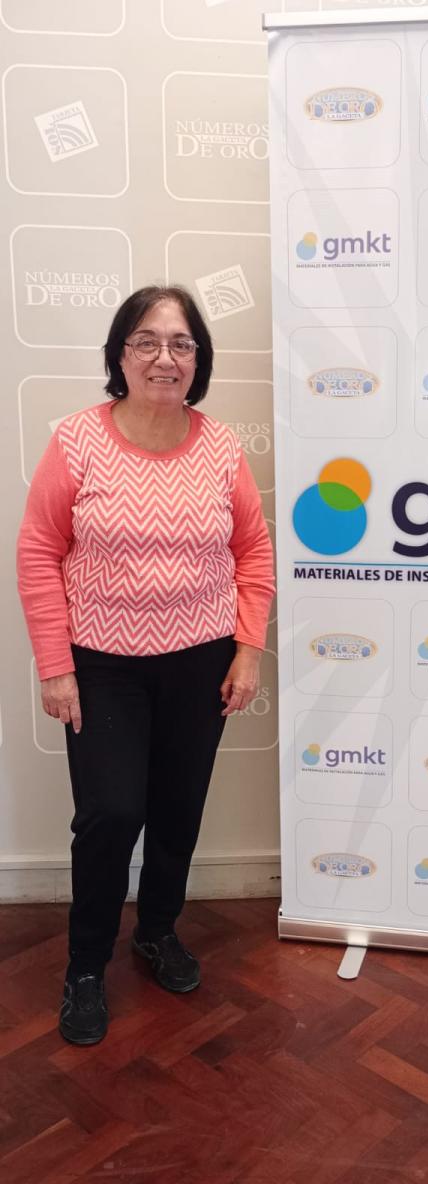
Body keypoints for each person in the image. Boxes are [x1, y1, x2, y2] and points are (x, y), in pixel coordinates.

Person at [17, 285, 275, 1046]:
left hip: (200, 662)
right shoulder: (77, 441)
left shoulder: (221, 447)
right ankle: (85, 967)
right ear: (120, 355)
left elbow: (253, 551)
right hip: (103, 666)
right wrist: (55, 666)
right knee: (110, 814)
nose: (165, 357)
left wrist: (247, 650)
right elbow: (38, 552)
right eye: (147, 341)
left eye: (182, 343)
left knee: (176, 809)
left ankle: (157, 931)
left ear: (199, 359)